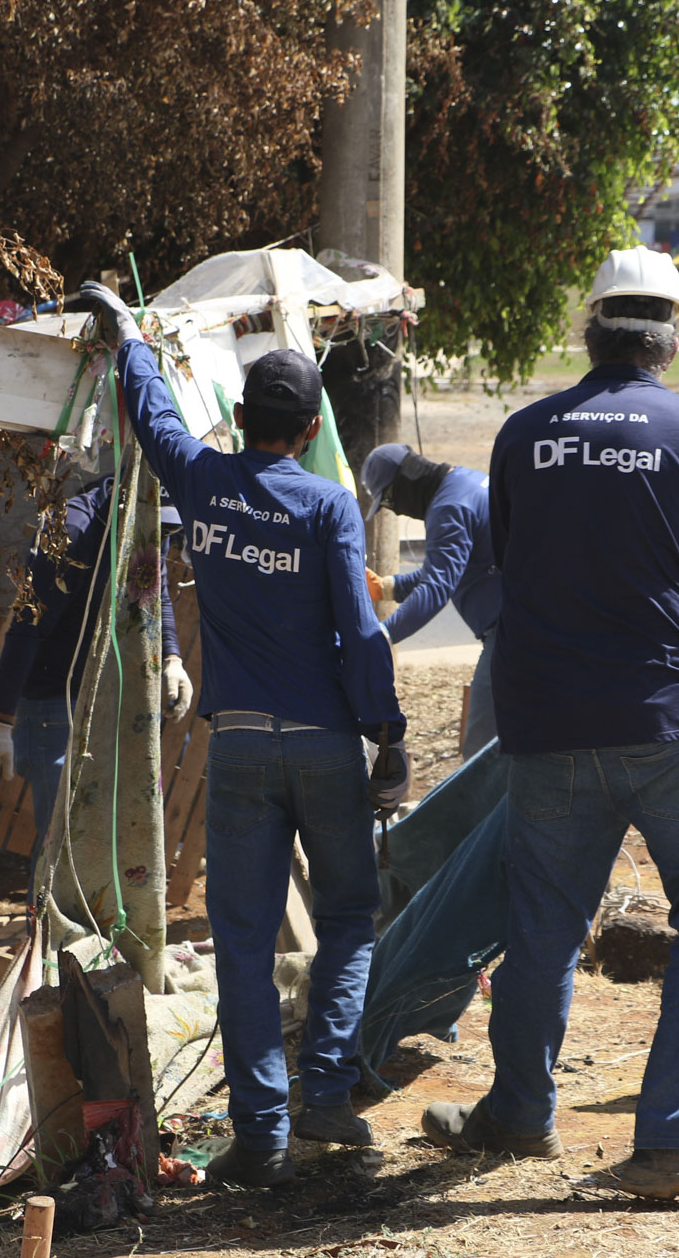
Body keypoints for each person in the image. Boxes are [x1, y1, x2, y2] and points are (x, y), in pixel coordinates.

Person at [419, 245, 679, 1208]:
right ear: (671, 335)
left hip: (545, 722)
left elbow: (512, 571)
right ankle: (671, 1140)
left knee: (542, 926)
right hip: (666, 719)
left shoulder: (523, 433)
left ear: (590, 329)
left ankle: (519, 1115)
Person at [73, 281, 411, 1187]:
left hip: (244, 754)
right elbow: (359, 626)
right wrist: (389, 733)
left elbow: (151, 417)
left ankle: (260, 1139)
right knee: (345, 918)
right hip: (326, 745)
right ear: (307, 431)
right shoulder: (329, 506)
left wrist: (126, 337)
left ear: (240, 416)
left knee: (247, 943)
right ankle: (327, 1093)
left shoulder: (206, 479)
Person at [0, 480, 192, 845]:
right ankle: (45, 905)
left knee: (104, 839)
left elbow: (155, 588)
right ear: (125, 499)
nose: (159, 536)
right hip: (54, 701)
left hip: (109, 693)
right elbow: (28, 626)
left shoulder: (150, 526)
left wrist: (172, 657)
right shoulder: (70, 528)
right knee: (66, 842)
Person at [358, 444, 501, 757]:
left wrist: (380, 638)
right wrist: (386, 588)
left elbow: (437, 587)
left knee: (479, 757)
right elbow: (449, 568)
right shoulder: (463, 481)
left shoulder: (448, 508)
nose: (394, 511)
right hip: (535, 622)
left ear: (407, 478)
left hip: (514, 636)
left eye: (391, 500)